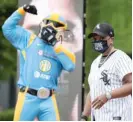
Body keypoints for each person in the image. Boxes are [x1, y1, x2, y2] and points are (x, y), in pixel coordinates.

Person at [2, 4, 76, 121]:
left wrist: (55, 45)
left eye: (56, 25)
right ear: (42, 24)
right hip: (27, 98)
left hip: (48, 100)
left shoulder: (62, 51)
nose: (51, 26)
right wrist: (22, 10)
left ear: (63, 32)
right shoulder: (29, 39)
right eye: (48, 22)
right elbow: (7, 28)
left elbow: (70, 66)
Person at [81, 23, 132, 121]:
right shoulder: (95, 62)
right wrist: (84, 115)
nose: (98, 41)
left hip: (118, 116)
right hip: (99, 117)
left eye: (101, 38)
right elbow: (93, 91)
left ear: (111, 39)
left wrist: (108, 95)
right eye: (95, 39)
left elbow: (131, 84)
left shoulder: (121, 58)